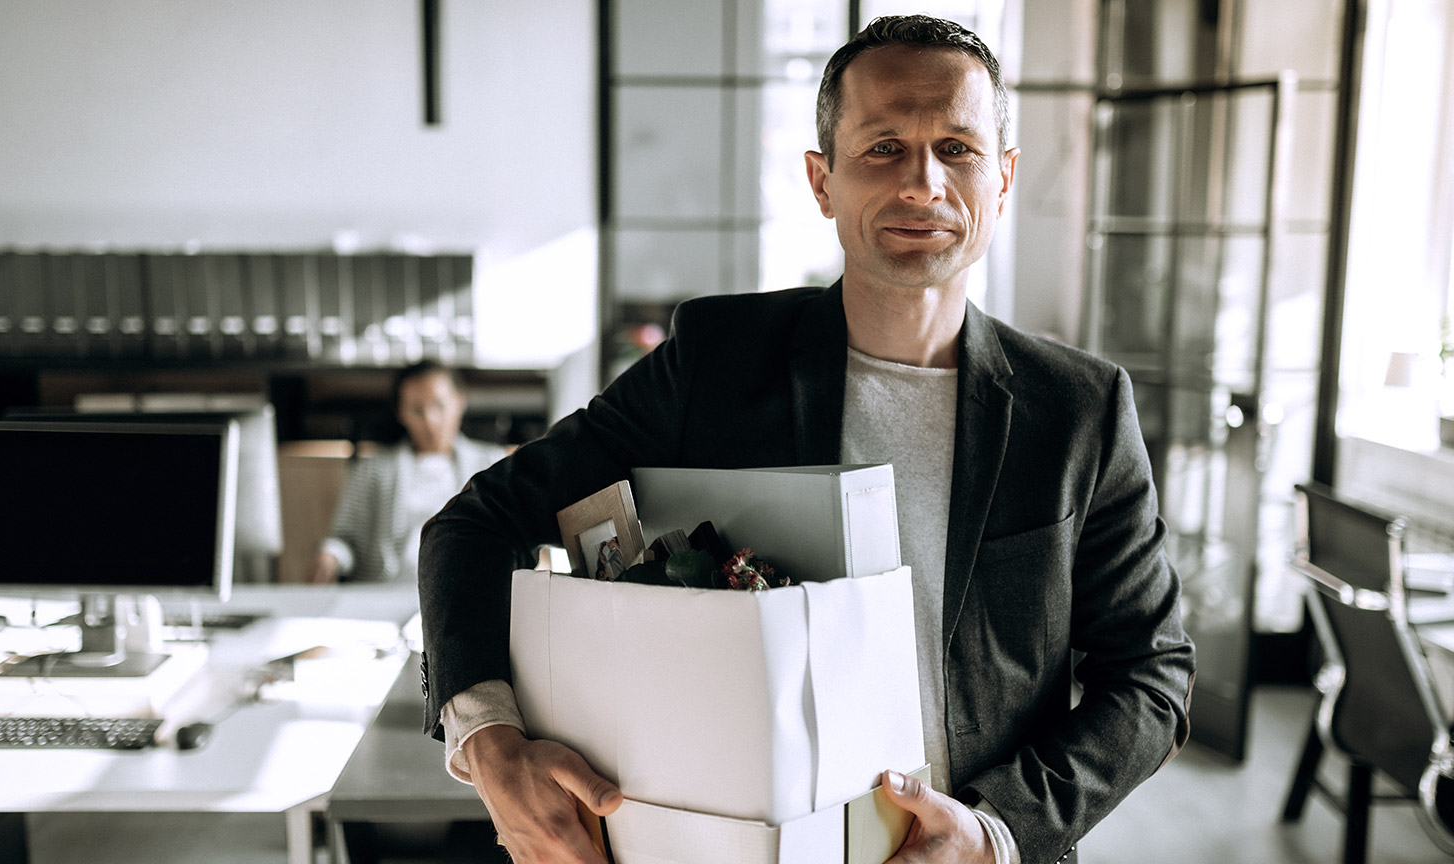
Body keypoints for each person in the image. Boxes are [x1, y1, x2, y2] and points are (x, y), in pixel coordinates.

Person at [419, 15, 1195, 864]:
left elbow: (1151, 676)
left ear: (1003, 178)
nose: (923, 182)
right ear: (823, 182)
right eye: (884, 148)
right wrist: (487, 742)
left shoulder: (1079, 408)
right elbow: (475, 524)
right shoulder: (715, 363)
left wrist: (996, 832)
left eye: (958, 149)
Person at [312, 360, 507, 583]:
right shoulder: (372, 470)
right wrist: (330, 555)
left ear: (459, 402)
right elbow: (344, 540)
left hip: (468, 590)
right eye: (417, 410)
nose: (430, 420)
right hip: (389, 590)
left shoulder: (493, 466)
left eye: (439, 406)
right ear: (401, 413)